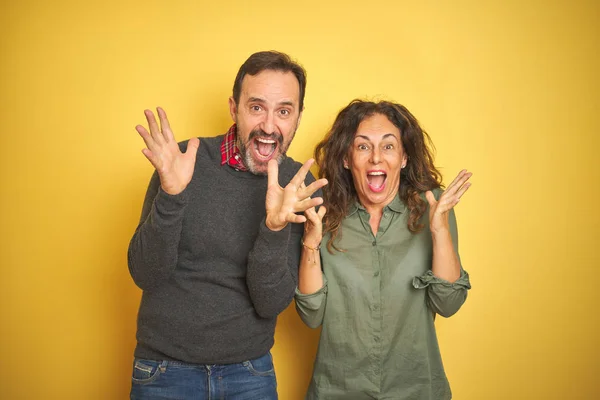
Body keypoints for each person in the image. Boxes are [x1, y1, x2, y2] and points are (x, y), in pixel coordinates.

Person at [127, 50, 327, 399]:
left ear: (297, 116)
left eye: (283, 111)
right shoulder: (184, 161)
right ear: (234, 108)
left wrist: (274, 228)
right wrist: (172, 196)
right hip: (164, 371)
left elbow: (270, 303)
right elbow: (145, 274)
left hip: (248, 374)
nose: (268, 125)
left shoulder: (297, 183)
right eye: (256, 107)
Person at [295, 99, 472, 399]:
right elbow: (312, 316)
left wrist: (439, 231)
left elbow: (448, 304)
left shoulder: (433, 208)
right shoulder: (323, 213)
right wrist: (310, 243)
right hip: (338, 391)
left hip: (416, 390)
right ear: (347, 159)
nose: (376, 157)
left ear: (403, 157)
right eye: (363, 146)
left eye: (388, 146)